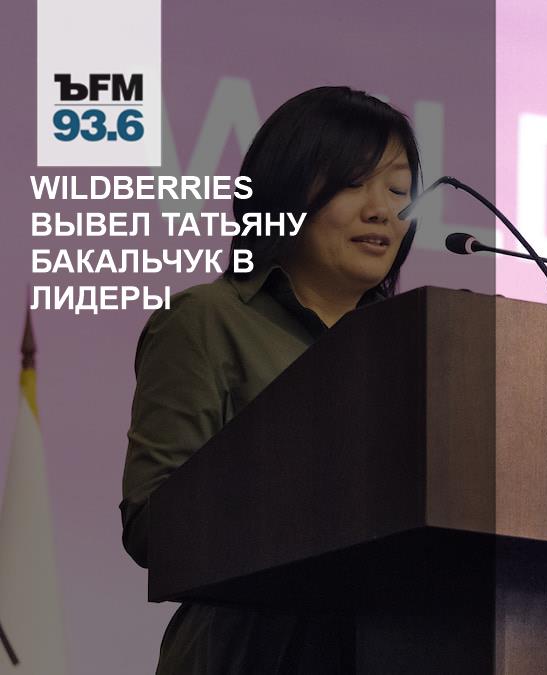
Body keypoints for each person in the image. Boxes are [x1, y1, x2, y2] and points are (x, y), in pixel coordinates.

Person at [120, 85, 421, 674]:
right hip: (249, 655)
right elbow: (152, 527)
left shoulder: (417, 348)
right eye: (355, 183)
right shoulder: (208, 320)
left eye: (398, 190)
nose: (382, 211)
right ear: (285, 191)